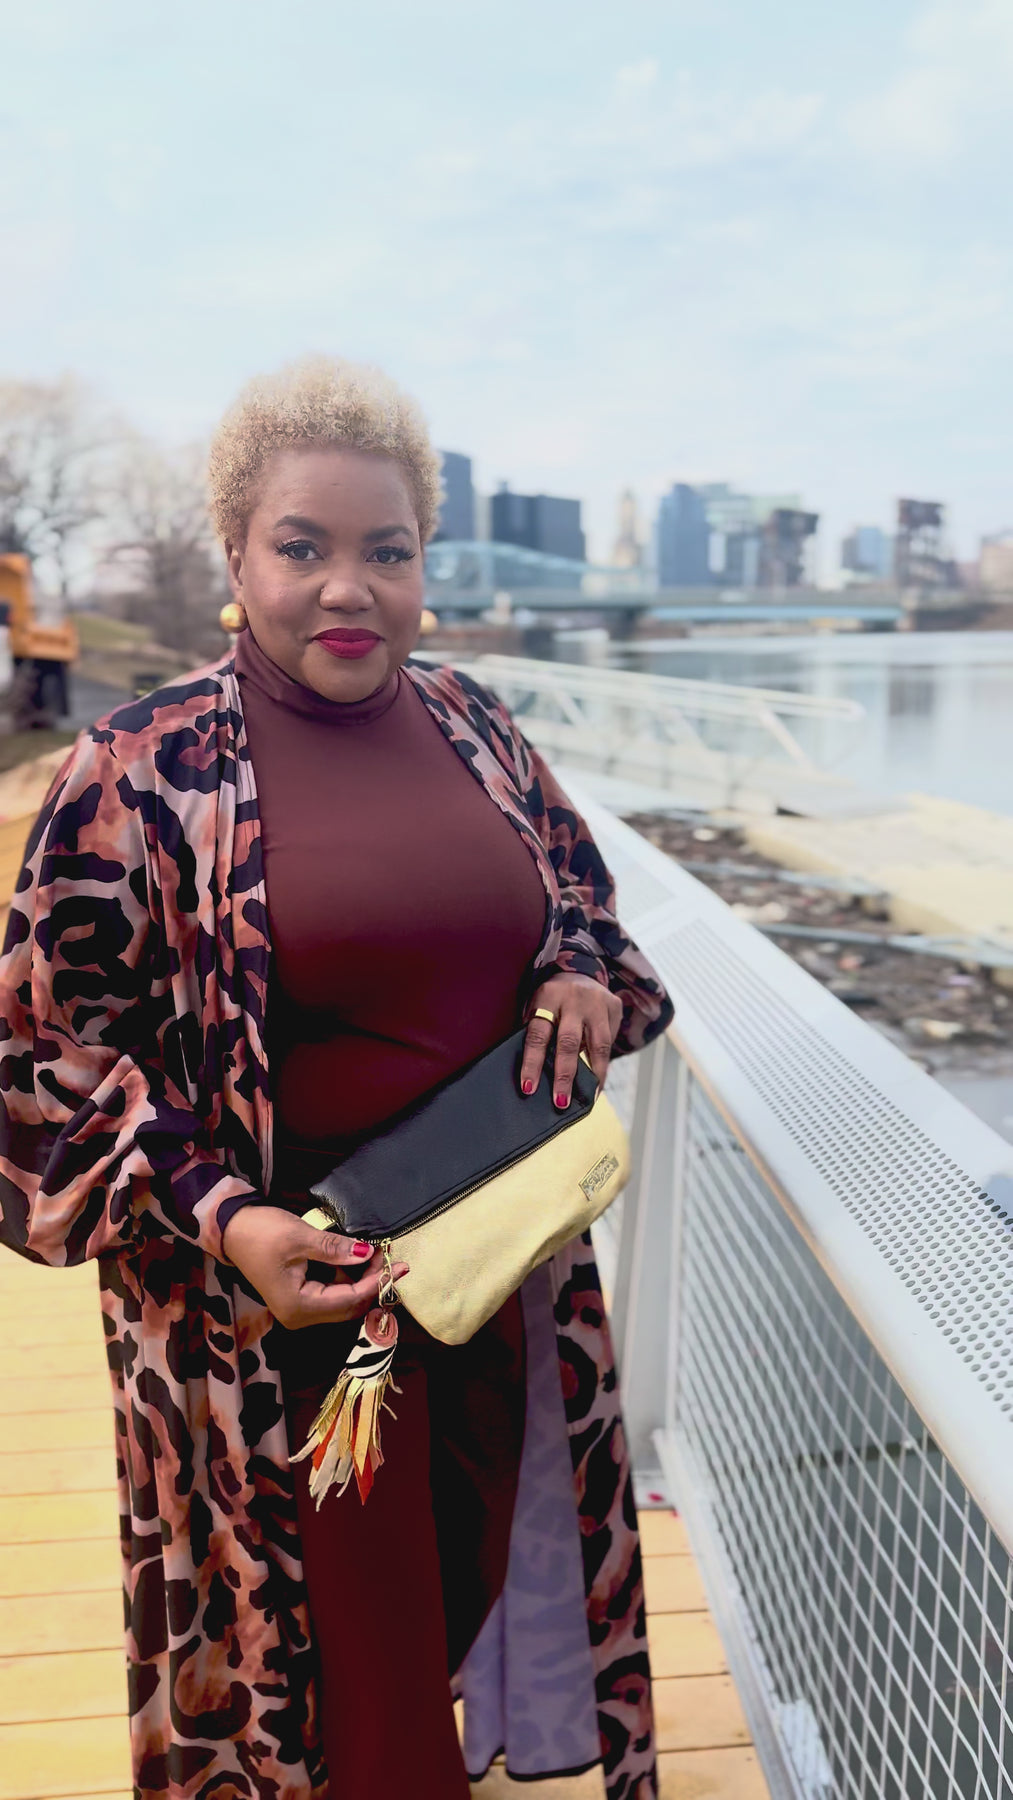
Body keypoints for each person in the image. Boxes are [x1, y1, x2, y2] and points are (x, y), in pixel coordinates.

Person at [0, 357, 673, 1800]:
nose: (348, 589)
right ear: (235, 557)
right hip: (282, 1318)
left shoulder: (476, 726)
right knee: (339, 1699)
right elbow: (41, 1058)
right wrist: (226, 1215)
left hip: (495, 1284)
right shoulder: (140, 769)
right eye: (301, 548)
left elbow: (583, 910)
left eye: (389, 551)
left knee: (462, 1602)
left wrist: (575, 974)